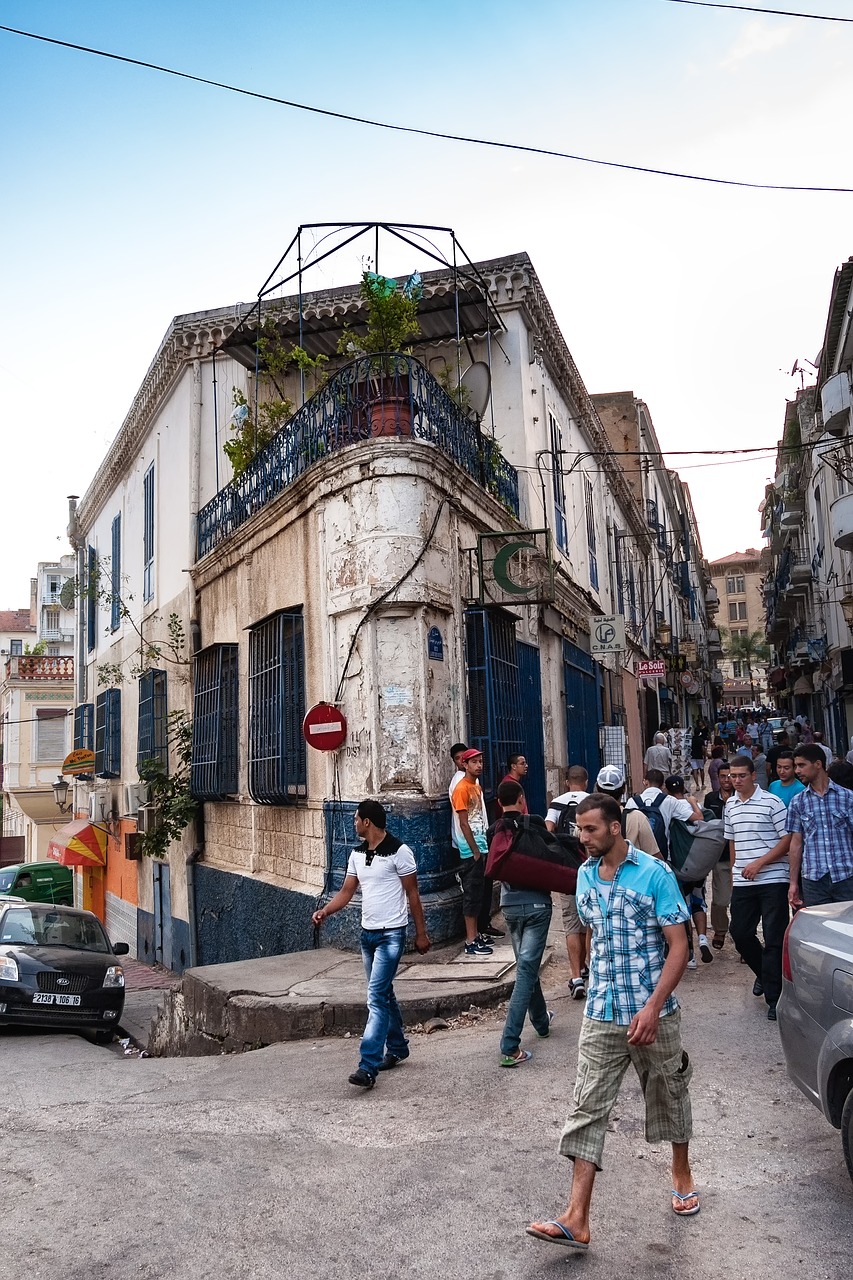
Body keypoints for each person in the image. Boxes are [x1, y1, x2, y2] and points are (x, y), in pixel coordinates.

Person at [526, 794, 696, 1254]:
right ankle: (576, 1218)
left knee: (669, 1093)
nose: (582, 838)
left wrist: (653, 1005)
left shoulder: (654, 874)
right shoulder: (583, 876)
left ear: (616, 828)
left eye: (591, 830)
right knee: (587, 1106)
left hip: (652, 1014)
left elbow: (679, 946)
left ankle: (681, 1171)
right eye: (579, 829)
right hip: (601, 1012)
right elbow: (592, 933)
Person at [312, 799, 430, 1088]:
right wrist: (326, 910)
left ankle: (368, 1065)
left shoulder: (400, 852)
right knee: (384, 994)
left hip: (392, 934)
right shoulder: (356, 855)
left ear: (367, 822)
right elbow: (347, 891)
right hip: (368, 935)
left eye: (356, 819)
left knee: (375, 998)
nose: (353, 824)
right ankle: (399, 1047)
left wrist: (421, 933)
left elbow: (413, 894)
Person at [490, 779, 554, 1066]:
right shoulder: (535, 823)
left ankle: (541, 1022)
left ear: (499, 803)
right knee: (526, 972)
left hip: (510, 907)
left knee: (528, 966)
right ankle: (510, 1046)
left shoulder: (495, 831)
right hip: (538, 906)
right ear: (522, 798)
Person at [724, 756, 790, 1021]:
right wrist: (734, 872)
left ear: (753, 775)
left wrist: (760, 863)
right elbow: (732, 843)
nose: (736, 780)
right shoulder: (729, 805)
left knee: (774, 939)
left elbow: (787, 841)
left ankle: (775, 1000)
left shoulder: (772, 802)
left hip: (773, 879)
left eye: (741, 775)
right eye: (732, 776)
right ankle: (766, 975)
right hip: (744, 881)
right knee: (739, 933)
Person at [787, 744, 853, 908]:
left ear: (818, 764)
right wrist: (793, 883)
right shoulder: (798, 802)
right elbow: (796, 844)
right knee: (819, 930)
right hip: (814, 880)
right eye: (796, 766)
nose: (797, 771)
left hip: (846, 876)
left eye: (802, 765)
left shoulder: (847, 797)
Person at [546, 766, 590, 1000]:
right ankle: (586, 966)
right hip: (592, 871)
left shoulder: (557, 804)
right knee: (590, 921)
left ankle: (575, 976)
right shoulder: (594, 802)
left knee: (571, 923)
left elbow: (548, 832)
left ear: (566, 782)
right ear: (586, 781)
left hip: (567, 872)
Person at [664, 775, 712, 967]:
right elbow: (701, 820)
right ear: (683, 788)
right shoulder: (692, 804)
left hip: (679, 865)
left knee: (682, 907)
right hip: (697, 862)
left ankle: (690, 955)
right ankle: (702, 938)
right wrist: (693, 801)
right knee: (698, 901)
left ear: (666, 790)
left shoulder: (669, 805)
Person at [451, 749, 494, 957]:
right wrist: (475, 851)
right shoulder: (461, 789)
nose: (479, 765)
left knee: (477, 895)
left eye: (480, 761)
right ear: (464, 765)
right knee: (471, 894)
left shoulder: (475, 787)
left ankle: (475, 935)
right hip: (470, 850)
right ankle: (470, 940)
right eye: (474, 762)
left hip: (480, 845)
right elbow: (464, 823)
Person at [594, 764, 660, 859]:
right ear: (624, 789)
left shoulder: (586, 820)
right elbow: (654, 856)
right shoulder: (637, 818)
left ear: (596, 789)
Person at [703, 762, 734, 949]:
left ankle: (745, 936)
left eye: (730, 776)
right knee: (721, 900)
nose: (727, 780)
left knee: (742, 900)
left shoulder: (742, 798)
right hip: (720, 856)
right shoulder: (710, 799)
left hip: (742, 855)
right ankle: (720, 930)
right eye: (723, 776)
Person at [690, 720, 708, 791]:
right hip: (700, 756)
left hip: (693, 756)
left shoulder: (692, 740)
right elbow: (703, 749)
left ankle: (697, 785)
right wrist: (704, 757)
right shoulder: (701, 740)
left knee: (695, 770)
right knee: (702, 770)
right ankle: (703, 784)